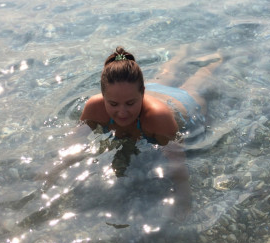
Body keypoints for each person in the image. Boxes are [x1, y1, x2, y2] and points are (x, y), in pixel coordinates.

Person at [79, 46, 222, 220]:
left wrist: (183, 201)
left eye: (130, 104)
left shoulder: (158, 118)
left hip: (184, 102)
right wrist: (53, 173)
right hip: (151, 90)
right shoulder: (96, 106)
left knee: (199, 79)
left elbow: (177, 165)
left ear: (142, 92)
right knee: (168, 71)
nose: (122, 113)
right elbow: (73, 145)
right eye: (113, 104)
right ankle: (184, 50)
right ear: (103, 96)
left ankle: (220, 57)